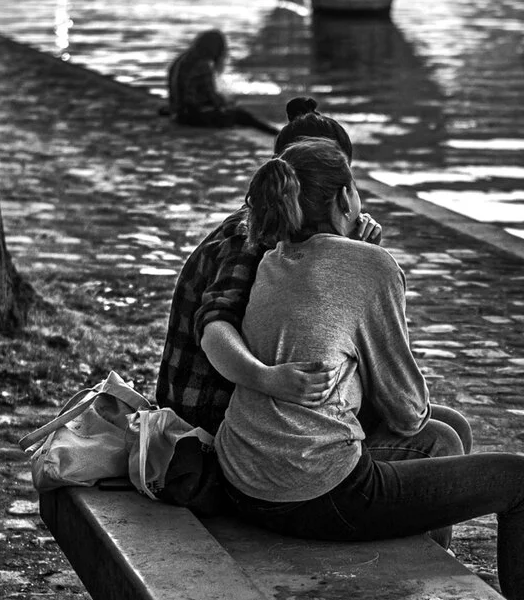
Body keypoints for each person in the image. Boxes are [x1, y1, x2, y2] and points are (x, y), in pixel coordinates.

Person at [213, 140, 524, 600]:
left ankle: (417, 584)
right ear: (344, 198)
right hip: (316, 492)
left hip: (244, 477)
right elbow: (408, 410)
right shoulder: (372, 265)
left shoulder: (274, 258)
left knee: (448, 428)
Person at [157, 99, 474, 450]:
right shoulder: (250, 237)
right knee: (440, 438)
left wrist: (349, 254)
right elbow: (214, 325)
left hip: (271, 406)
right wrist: (266, 378)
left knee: (452, 422)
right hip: (214, 417)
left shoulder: (297, 236)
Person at [165, 28, 275, 134]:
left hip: (177, 112)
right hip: (191, 117)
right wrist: (226, 103)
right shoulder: (203, 65)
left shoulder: (181, 59)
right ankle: (277, 134)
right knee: (243, 116)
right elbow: (213, 99)